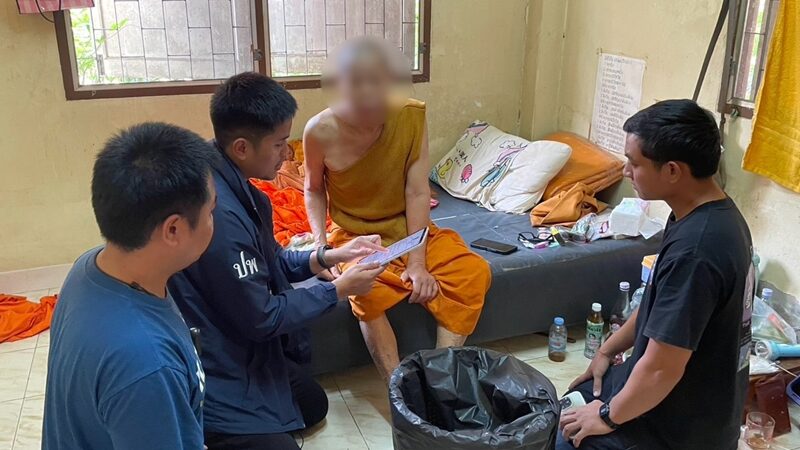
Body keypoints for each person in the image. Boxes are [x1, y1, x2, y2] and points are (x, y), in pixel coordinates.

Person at [168, 72, 386, 450]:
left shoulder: (236, 184)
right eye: (280, 144)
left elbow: (272, 260)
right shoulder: (219, 216)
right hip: (221, 359)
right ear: (241, 148)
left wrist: (328, 255)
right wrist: (337, 290)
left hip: (242, 339)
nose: (288, 155)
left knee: (312, 404)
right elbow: (262, 317)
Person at [557, 99, 754, 450]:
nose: (625, 171)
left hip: (677, 432)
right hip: (671, 402)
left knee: (562, 435)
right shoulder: (704, 214)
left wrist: (606, 416)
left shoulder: (697, 250)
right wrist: (607, 350)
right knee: (574, 398)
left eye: (634, 163)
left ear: (673, 171)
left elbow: (662, 369)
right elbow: (657, 306)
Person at [304, 37, 492, 382]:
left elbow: (417, 191)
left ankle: (440, 376)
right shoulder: (319, 131)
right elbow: (313, 188)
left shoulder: (409, 116)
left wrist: (417, 263)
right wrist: (321, 247)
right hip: (355, 234)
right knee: (365, 289)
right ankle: (397, 388)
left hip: (408, 228)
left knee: (472, 273)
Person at [43, 123, 217, 449]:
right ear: (173, 230)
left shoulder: (91, 266)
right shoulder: (146, 364)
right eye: (211, 210)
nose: (214, 222)